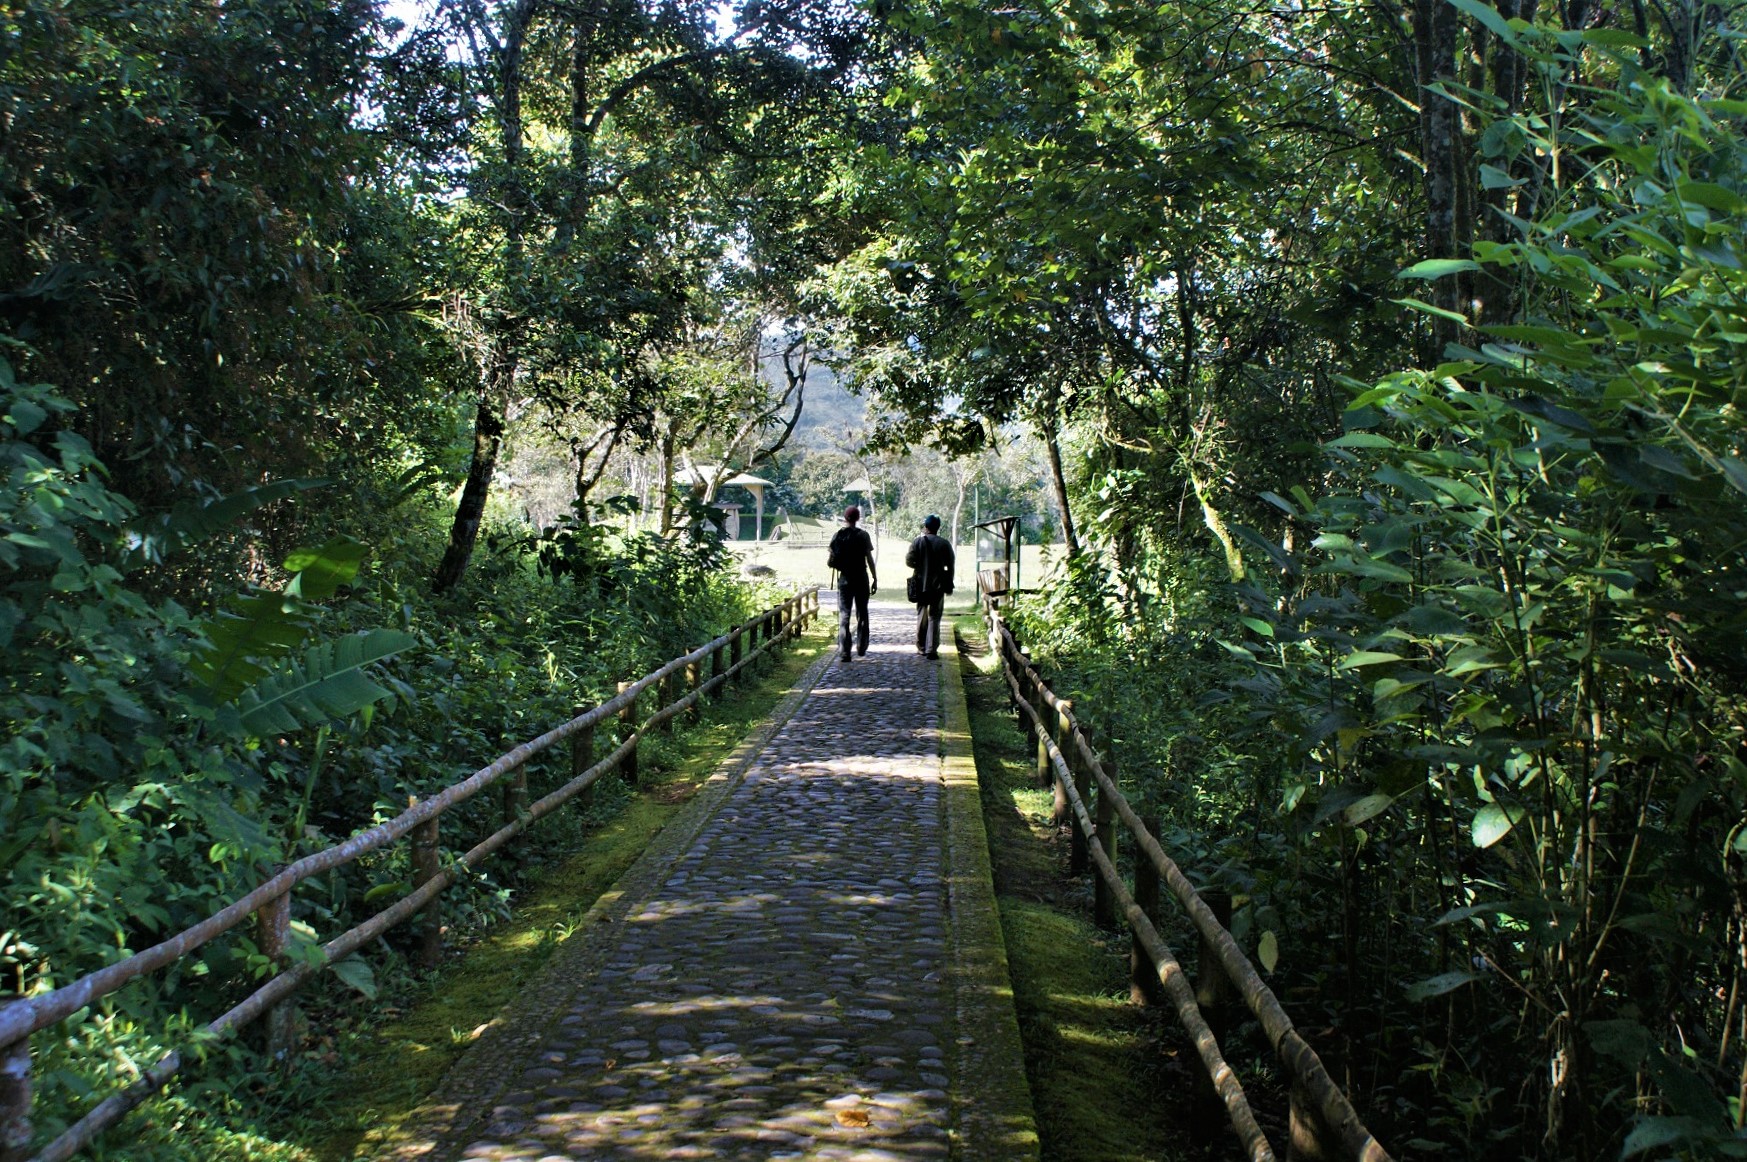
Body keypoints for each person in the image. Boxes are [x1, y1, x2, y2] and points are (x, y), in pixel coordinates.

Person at [827, 505, 877, 660]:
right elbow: (869, 559)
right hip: (861, 577)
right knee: (862, 612)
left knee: (844, 615)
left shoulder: (838, 535)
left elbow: (830, 560)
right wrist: (875, 578)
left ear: (845, 518)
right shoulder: (863, 535)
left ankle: (844, 651)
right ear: (858, 518)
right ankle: (862, 646)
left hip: (845, 579)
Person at [905, 514, 955, 659]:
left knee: (922, 614)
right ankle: (931, 649)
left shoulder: (917, 542)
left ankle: (921, 647)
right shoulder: (944, 544)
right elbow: (950, 566)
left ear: (926, 527)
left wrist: (919, 566)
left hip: (921, 584)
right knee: (934, 616)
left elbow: (909, 561)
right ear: (938, 527)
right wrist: (949, 583)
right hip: (938, 585)